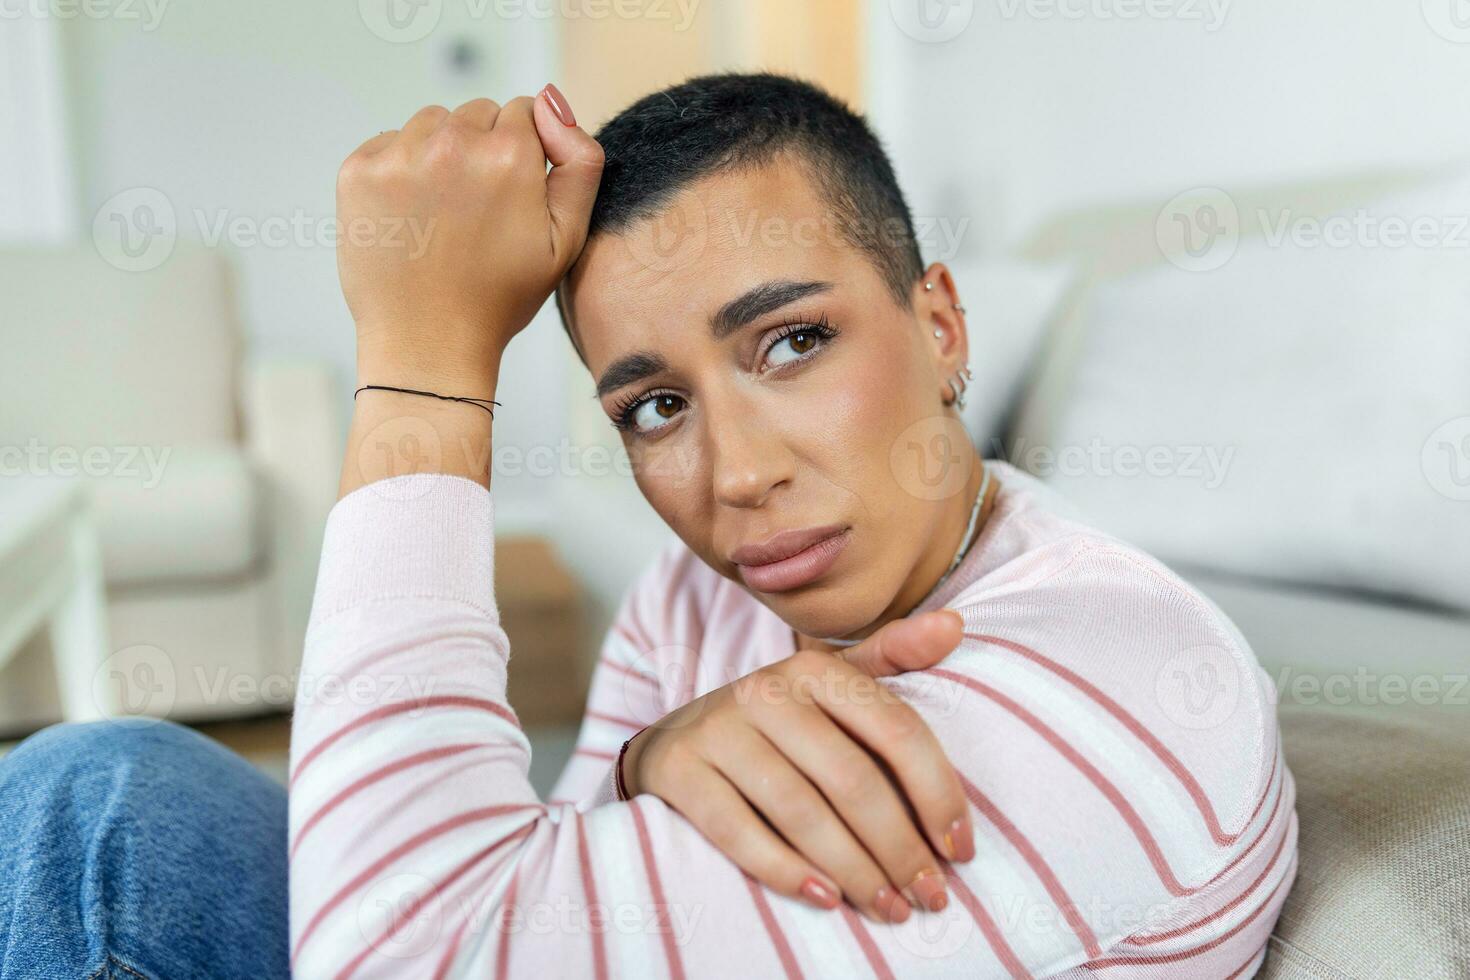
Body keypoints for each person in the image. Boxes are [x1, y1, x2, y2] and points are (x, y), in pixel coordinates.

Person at [0, 73, 1296, 979]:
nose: (731, 476)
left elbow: (415, 953)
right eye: (656, 405)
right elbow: (554, 852)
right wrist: (643, 757)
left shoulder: (1106, 693)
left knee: (95, 815)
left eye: (791, 341)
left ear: (941, 327)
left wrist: (422, 362)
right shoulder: (706, 599)